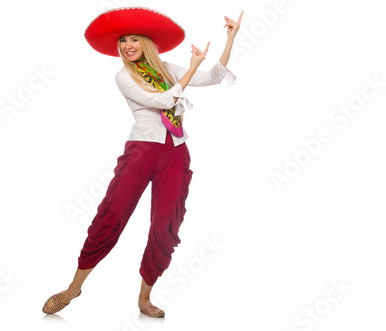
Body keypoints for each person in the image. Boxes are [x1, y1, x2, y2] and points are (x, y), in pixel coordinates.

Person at [42, 7, 243, 318]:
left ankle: (144, 298)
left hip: (175, 152)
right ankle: (73, 288)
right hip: (141, 151)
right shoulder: (124, 76)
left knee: (166, 225)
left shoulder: (167, 69)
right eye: (123, 41)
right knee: (112, 215)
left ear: (147, 43)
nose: (127, 45)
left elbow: (214, 77)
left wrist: (230, 38)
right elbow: (164, 101)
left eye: (134, 39)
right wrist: (191, 68)